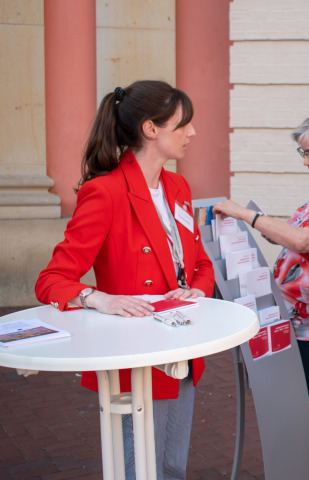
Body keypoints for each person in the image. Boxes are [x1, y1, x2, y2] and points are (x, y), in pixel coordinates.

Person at [35, 80, 215, 479]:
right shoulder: (106, 193)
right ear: (151, 129)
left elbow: (201, 264)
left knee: (172, 468)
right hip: (136, 360)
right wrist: (98, 298)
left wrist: (196, 289)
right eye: (183, 124)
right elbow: (52, 280)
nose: (193, 133)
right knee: (138, 470)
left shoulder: (178, 186)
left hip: (183, 347)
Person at [212, 111, 309, 480]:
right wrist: (258, 224)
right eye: (303, 152)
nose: (306, 161)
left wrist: (245, 217)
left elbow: (305, 240)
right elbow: (292, 234)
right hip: (304, 324)